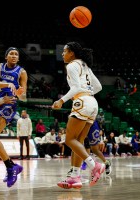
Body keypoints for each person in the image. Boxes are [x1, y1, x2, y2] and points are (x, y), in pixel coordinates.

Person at [52, 41, 104, 189]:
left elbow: (75, 87)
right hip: (92, 102)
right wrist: (87, 94)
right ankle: (75, 176)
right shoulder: (85, 65)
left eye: (65, 51)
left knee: (69, 139)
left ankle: (95, 166)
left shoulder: (72, 65)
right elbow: (98, 87)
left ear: (72, 53)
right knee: (79, 142)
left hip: (82, 102)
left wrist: (61, 100)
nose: (63, 54)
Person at [0, 47, 28, 187]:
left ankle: (10, 168)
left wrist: (20, 93)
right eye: (11, 53)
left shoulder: (22, 72)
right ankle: (12, 165)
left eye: (16, 54)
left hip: (9, 104)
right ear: (6, 56)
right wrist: (8, 83)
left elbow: (23, 97)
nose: (14, 56)